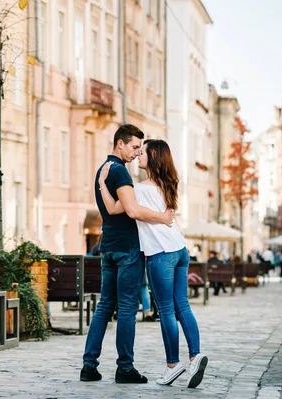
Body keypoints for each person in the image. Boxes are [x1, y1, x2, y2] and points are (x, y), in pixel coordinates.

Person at [98, 139, 208, 388]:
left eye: (143, 152)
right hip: (180, 250)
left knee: (167, 310)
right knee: (183, 305)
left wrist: (103, 185)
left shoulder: (140, 189)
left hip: (161, 254)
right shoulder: (168, 184)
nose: (138, 155)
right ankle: (195, 355)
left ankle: (173, 365)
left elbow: (115, 209)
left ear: (154, 157)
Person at [80, 124, 174, 384]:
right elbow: (132, 210)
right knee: (127, 308)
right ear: (119, 143)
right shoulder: (120, 172)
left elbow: (111, 210)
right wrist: (163, 218)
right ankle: (125, 368)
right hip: (128, 249)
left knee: (104, 307)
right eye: (134, 147)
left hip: (108, 246)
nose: (136, 153)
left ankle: (89, 366)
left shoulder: (104, 170)